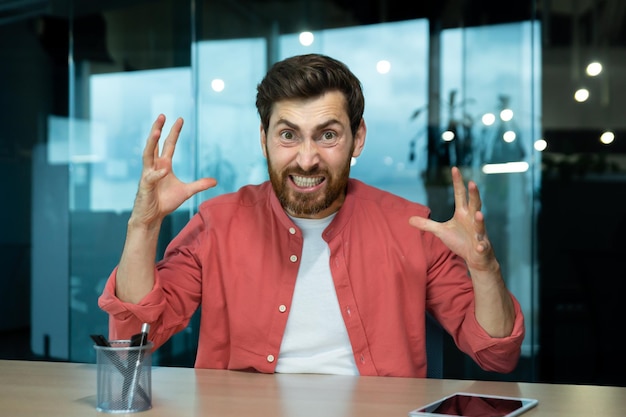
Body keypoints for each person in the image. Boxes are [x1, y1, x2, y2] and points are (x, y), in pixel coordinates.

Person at [98, 53, 525, 378]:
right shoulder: (217, 223)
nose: (306, 159)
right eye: (288, 135)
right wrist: (144, 223)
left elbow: (496, 353)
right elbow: (135, 338)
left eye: (327, 135)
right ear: (263, 140)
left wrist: (484, 268)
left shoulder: (412, 227)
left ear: (357, 138)